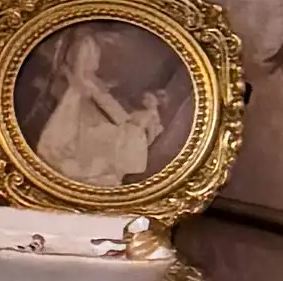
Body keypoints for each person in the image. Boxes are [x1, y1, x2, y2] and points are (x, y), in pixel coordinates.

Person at [28, 24, 186, 197]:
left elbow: (87, 80)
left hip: (89, 98)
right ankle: (85, 171)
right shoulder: (84, 49)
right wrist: (111, 107)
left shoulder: (89, 53)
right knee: (76, 136)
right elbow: (84, 80)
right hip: (82, 99)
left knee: (105, 134)